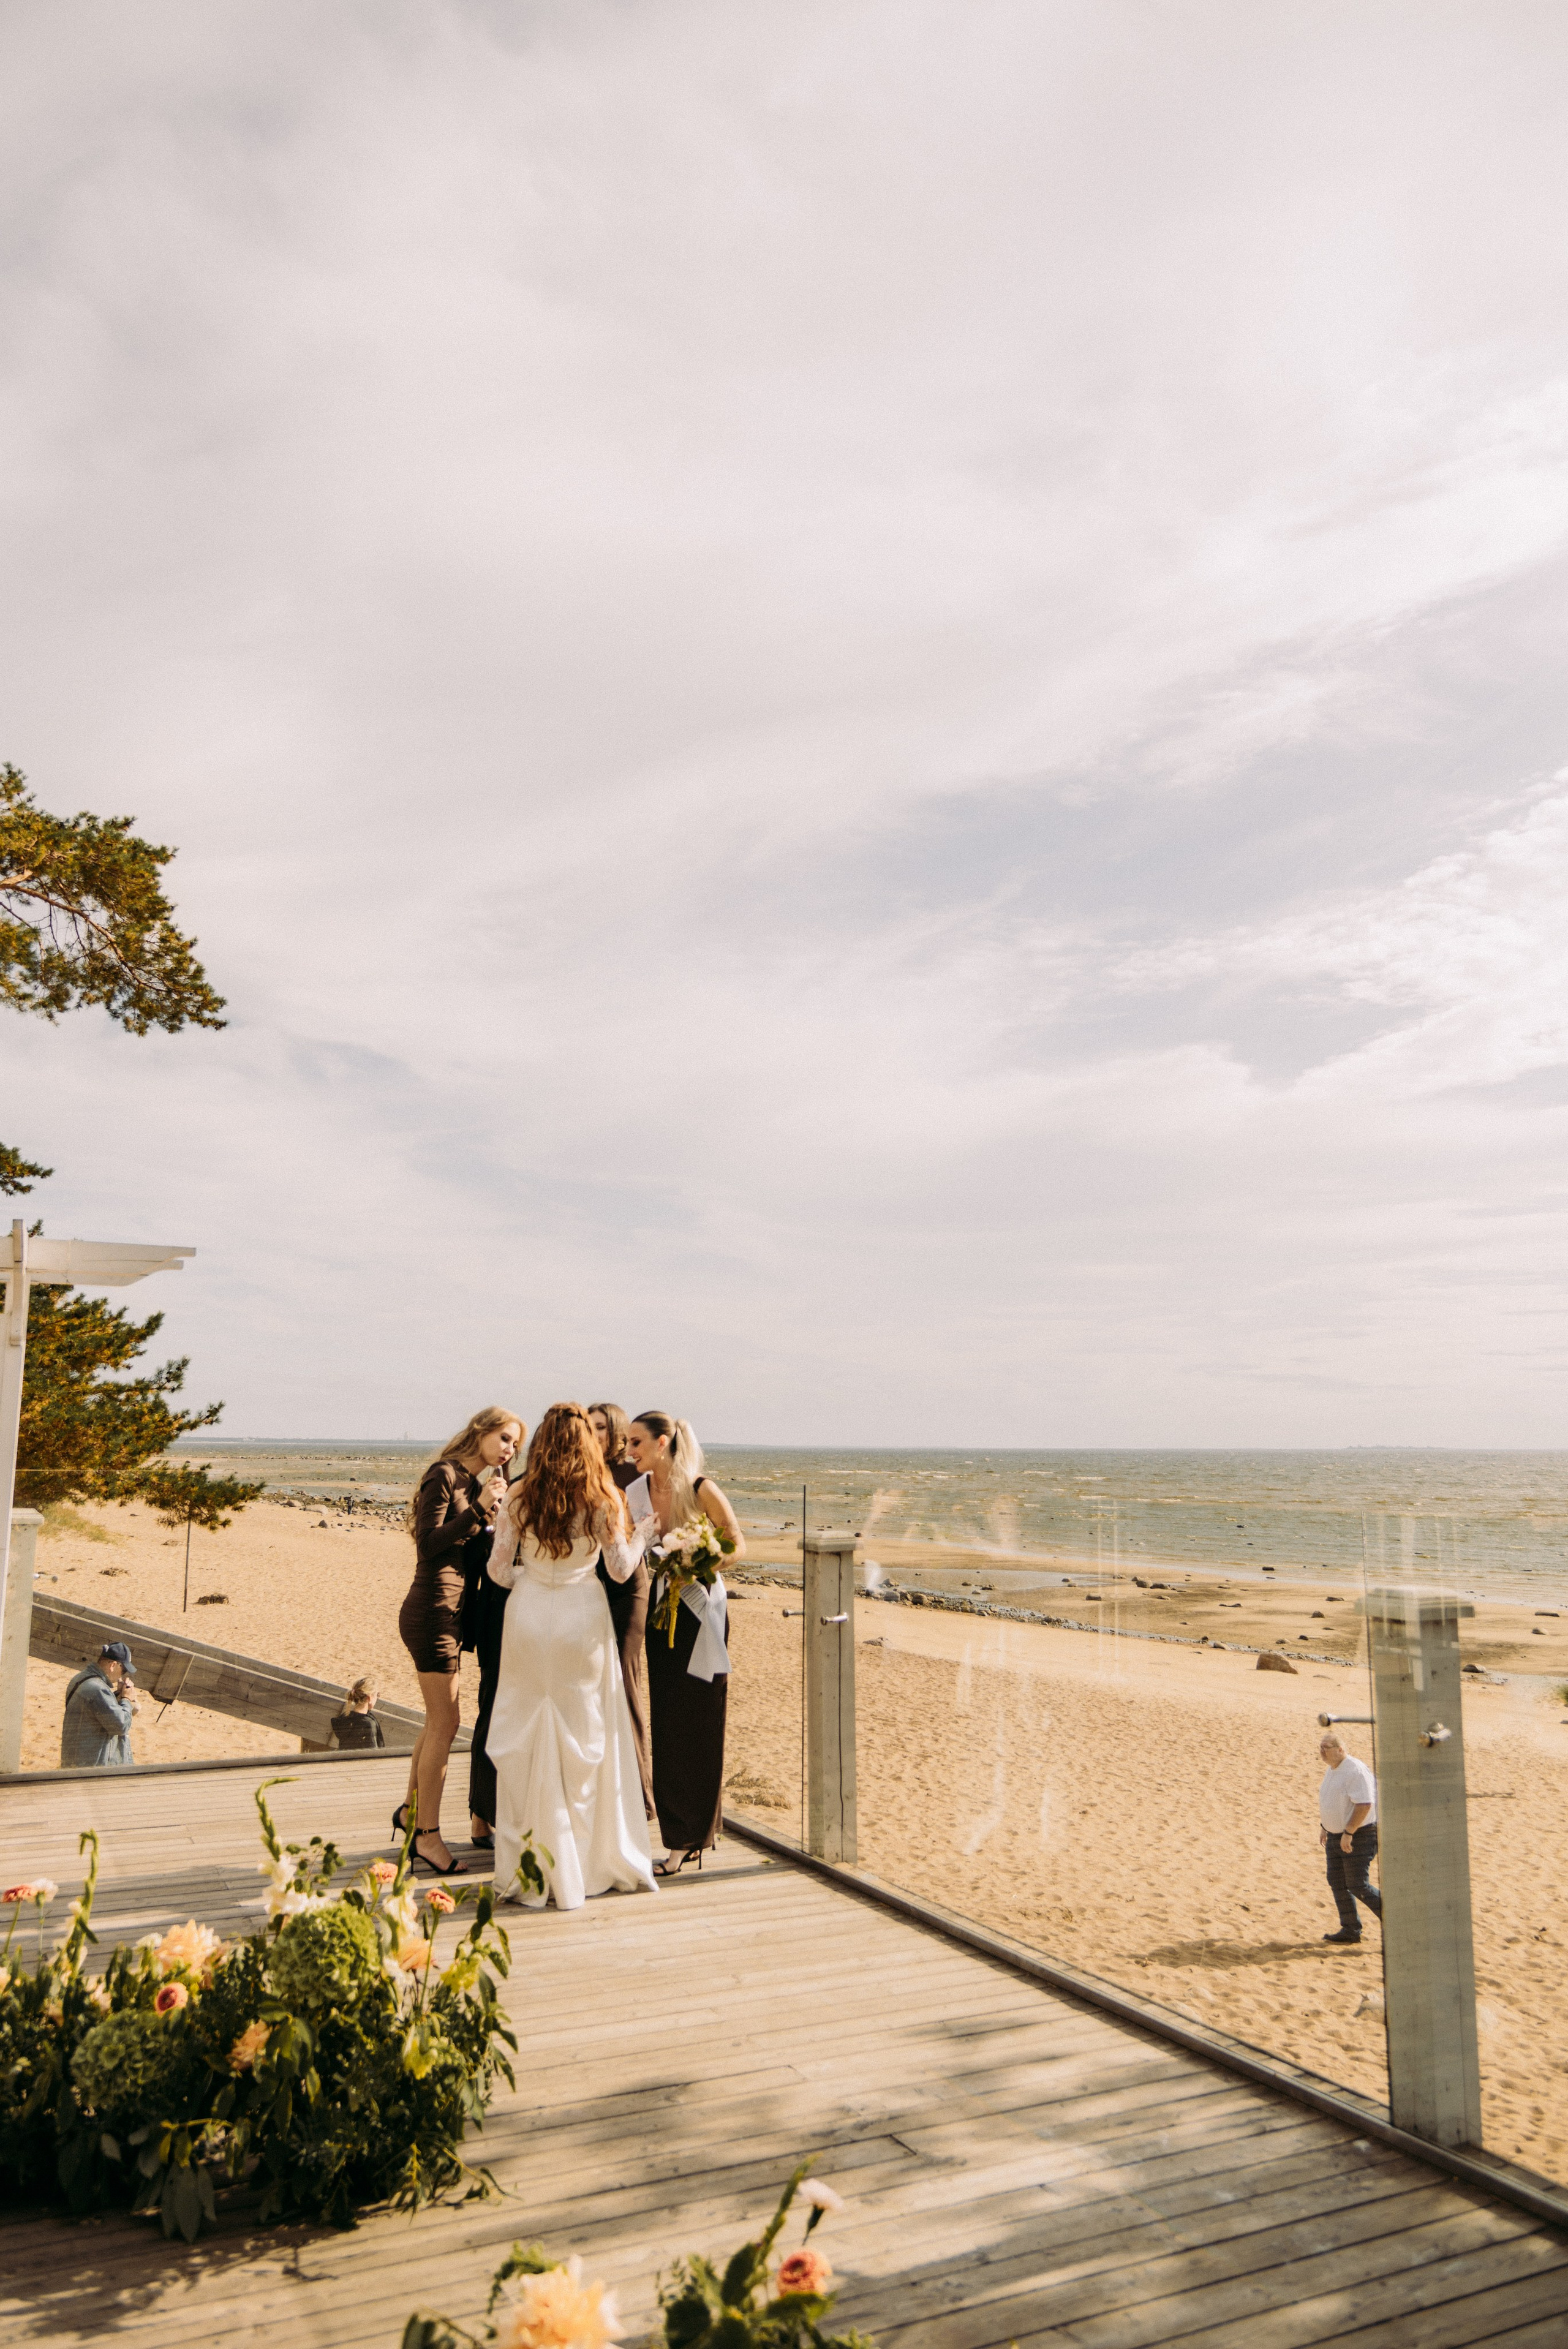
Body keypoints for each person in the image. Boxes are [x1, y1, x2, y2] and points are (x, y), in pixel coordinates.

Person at [484, 1401, 658, 1911]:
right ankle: (582, 1862)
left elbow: (498, 1569)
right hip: (583, 1618)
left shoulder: (519, 1494)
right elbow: (622, 1570)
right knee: (585, 1735)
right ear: (587, 1444)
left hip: (530, 1616)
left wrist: (529, 1580)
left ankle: (528, 1867)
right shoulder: (604, 1496)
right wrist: (643, 1533)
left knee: (529, 1733)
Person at [396, 1405, 523, 1874]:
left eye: (515, 1445)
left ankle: (411, 1814)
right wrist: (480, 1508)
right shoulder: (445, 1475)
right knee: (446, 1724)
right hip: (432, 1609)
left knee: (438, 1723)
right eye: (506, 1438)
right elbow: (428, 1542)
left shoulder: (473, 1485)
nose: (510, 1450)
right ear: (482, 1430)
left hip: (451, 1613)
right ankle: (427, 1836)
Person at [627, 1410, 745, 1875]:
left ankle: (696, 1835)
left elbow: (736, 1544)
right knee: (669, 1722)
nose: (629, 1451)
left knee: (703, 1720)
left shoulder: (700, 1488)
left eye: (636, 1442)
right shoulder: (637, 1492)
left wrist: (699, 1561)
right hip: (662, 1611)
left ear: (663, 1443)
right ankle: (681, 1834)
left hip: (702, 1611)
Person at [587, 1400, 655, 1821]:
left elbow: (653, 1523)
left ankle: (642, 1798)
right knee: (596, 1689)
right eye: (585, 1427)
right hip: (590, 1587)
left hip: (628, 1585)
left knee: (626, 1685)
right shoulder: (583, 1472)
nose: (590, 1434)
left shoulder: (631, 1475)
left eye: (597, 1427)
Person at [1317, 1730, 1382, 1944]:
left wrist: (1349, 1833)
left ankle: (1398, 1923)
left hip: (1359, 1836)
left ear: (1340, 1750)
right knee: (1336, 1880)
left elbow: (1365, 1804)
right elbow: (1334, 1801)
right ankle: (1351, 1929)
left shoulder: (1354, 1770)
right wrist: (1325, 1826)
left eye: (1326, 1748)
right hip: (1337, 1836)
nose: (1322, 1752)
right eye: (1321, 1747)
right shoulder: (1333, 1769)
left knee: (1357, 1884)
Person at [59, 1642, 139, 1767]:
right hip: (92, 1769)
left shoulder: (80, 1679)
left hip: (78, 1763)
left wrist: (117, 1694)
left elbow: (97, 1713)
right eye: (123, 1671)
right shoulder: (98, 1690)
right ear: (113, 1665)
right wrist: (126, 1699)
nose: (122, 1675)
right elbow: (121, 1725)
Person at [330, 1676, 386, 1751]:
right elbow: (374, 1754)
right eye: (377, 1695)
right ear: (370, 1698)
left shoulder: (345, 1717)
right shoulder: (368, 1724)